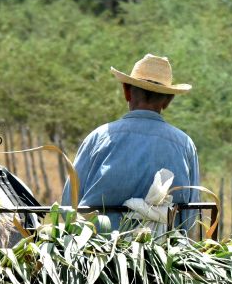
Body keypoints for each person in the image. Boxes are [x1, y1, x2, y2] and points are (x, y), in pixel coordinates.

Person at [61, 53, 200, 231]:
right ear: (167, 101)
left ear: (127, 92)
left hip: (95, 250)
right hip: (165, 250)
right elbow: (188, 218)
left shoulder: (99, 137)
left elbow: (68, 206)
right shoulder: (185, 145)